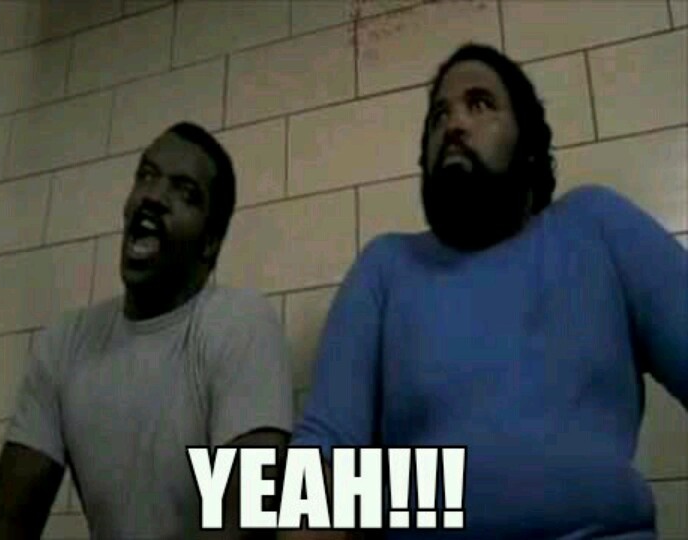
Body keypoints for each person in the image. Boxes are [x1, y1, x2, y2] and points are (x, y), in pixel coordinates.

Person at [287, 43, 688, 539]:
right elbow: (322, 461)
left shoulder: (597, 227)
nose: (454, 124)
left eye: (480, 104)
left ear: (529, 145)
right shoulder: (384, 268)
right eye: (439, 116)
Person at [0, 122, 294, 539]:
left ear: (210, 242)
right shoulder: (65, 344)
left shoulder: (241, 323)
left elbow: (246, 521)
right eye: (146, 176)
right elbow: (3, 523)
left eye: (184, 192)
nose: (153, 196)